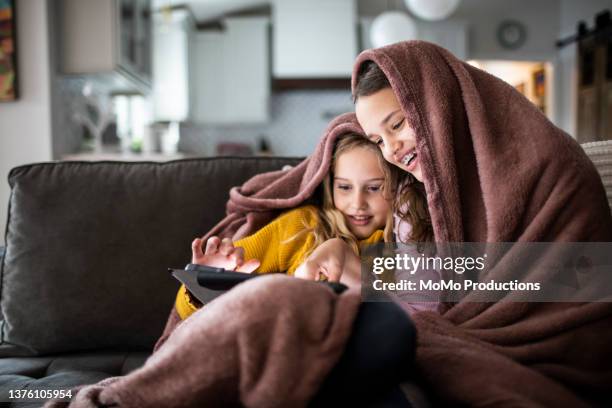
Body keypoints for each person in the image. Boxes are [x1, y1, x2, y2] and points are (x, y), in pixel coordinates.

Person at [174, 132, 394, 320]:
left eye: (374, 188)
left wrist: (341, 253)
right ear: (330, 186)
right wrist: (204, 279)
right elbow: (186, 312)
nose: (357, 203)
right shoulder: (303, 225)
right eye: (344, 187)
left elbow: (408, 312)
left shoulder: (404, 238)